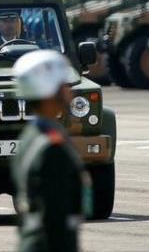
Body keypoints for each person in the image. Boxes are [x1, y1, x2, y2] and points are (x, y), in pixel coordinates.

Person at [11, 50, 90, 252]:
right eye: (63, 85)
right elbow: (55, 218)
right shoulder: (51, 148)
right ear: (49, 89)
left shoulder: (31, 136)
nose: (69, 91)